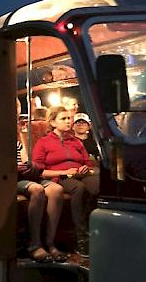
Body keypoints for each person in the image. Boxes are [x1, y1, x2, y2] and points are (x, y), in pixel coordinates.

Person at [32, 106, 99, 258]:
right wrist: (64, 172)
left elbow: (88, 162)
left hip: (79, 174)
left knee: (98, 185)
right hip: (58, 177)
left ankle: (94, 229)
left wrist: (85, 169)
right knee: (78, 188)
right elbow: (38, 170)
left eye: (69, 118)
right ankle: (80, 237)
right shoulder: (44, 142)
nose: (68, 121)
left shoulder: (75, 141)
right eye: (64, 118)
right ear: (53, 122)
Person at [15, 99, 65, 262]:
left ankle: (50, 242)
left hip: (25, 174)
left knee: (57, 190)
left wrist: (30, 164)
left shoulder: (18, 139)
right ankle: (34, 244)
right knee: (37, 190)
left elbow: (25, 160)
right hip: (13, 178)